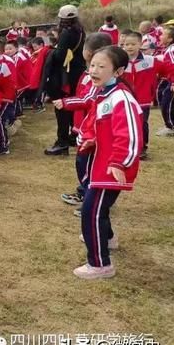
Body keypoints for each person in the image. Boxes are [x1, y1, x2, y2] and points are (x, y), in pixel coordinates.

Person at [73, 46, 142, 280]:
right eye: (93, 65)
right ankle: (109, 239)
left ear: (118, 71)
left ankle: (100, 264)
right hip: (100, 165)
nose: (94, 70)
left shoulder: (121, 98)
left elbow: (130, 136)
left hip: (110, 169)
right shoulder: (104, 94)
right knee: (97, 209)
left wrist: (118, 163)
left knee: (91, 212)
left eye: (102, 67)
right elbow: (104, 129)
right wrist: (92, 140)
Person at [54, 32, 112, 211]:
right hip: (84, 126)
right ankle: (83, 192)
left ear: (88, 52)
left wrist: (64, 102)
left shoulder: (95, 78)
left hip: (91, 129)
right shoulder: (90, 74)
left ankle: (91, 201)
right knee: (83, 164)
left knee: (86, 164)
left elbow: (86, 99)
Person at [44, 4, 86, 156]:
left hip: (65, 75)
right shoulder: (80, 30)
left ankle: (62, 143)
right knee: (73, 105)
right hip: (77, 72)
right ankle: (73, 136)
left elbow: (60, 55)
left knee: (61, 107)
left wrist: (50, 52)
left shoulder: (66, 33)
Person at [121, 31, 164, 159]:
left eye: (133, 44)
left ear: (140, 44)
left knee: (141, 123)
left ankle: (142, 148)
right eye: (126, 44)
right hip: (125, 99)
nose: (129, 47)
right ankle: (127, 147)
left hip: (143, 100)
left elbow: (167, 69)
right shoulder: (120, 62)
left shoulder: (150, 61)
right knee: (125, 123)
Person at [155, 26, 174, 136]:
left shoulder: (171, 50)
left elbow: (173, 66)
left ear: (170, 39)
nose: (160, 36)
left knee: (167, 103)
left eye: (163, 34)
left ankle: (171, 127)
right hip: (169, 80)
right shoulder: (170, 49)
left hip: (173, 82)